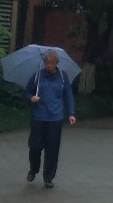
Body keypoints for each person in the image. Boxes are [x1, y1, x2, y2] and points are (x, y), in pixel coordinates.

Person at [24, 50, 75, 188]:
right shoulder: (37, 76)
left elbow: (68, 95)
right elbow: (26, 92)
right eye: (46, 63)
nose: (49, 65)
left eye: (51, 63)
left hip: (55, 118)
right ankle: (34, 169)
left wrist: (71, 113)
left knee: (52, 149)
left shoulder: (63, 77)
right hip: (38, 117)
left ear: (57, 63)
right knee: (35, 146)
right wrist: (31, 98)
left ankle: (48, 177)